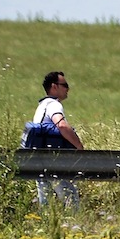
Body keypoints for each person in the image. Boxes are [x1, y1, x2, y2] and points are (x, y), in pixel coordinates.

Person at [32, 71, 83, 208]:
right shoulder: (54, 105)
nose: (68, 89)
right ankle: (74, 227)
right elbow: (61, 125)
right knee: (72, 203)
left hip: (39, 161)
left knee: (46, 206)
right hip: (54, 161)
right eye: (65, 85)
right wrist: (79, 146)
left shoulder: (41, 106)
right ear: (54, 87)